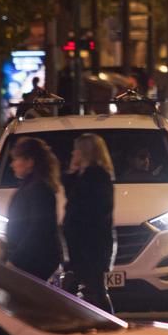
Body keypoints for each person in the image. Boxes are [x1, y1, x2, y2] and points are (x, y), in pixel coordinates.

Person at [62, 133, 116, 312]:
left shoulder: (97, 176)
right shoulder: (82, 175)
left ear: (85, 152)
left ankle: (109, 323)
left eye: (76, 150)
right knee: (89, 287)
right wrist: (72, 172)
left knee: (94, 288)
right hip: (82, 244)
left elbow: (94, 211)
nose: (72, 154)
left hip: (91, 245)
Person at [2, 136, 64, 282]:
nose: (12, 164)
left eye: (16, 159)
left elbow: (38, 229)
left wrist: (16, 260)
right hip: (29, 259)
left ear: (30, 162)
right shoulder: (30, 185)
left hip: (33, 261)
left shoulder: (38, 188)